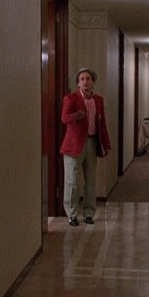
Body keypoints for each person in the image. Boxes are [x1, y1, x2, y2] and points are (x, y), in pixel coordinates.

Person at [60, 68, 111, 226]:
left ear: (93, 82)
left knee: (90, 180)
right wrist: (76, 116)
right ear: (78, 83)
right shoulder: (71, 98)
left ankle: (89, 213)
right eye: (82, 79)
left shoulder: (98, 100)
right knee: (72, 181)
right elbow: (64, 118)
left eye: (88, 79)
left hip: (92, 142)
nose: (85, 82)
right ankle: (72, 214)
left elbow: (102, 123)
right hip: (73, 145)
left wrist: (106, 144)